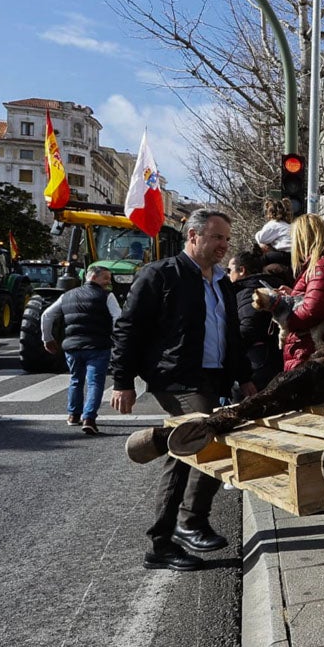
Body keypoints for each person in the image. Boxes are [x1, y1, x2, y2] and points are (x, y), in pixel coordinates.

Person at [110, 209, 256, 571]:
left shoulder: (222, 282)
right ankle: (178, 530)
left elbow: (232, 337)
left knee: (196, 445)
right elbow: (128, 328)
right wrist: (122, 381)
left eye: (226, 238)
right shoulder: (161, 275)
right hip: (175, 377)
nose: (224, 245)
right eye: (216, 237)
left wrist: (246, 378)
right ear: (193, 236)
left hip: (213, 376)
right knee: (199, 438)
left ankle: (180, 527)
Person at [253, 213, 324, 371]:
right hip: (314, 350)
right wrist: (293, 296)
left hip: (310, 353)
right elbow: (317, 298)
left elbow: (314, 310)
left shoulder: (321, 266)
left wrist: (285, 318)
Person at [42, 265, 120, 434]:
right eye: (106, 278)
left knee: (76, 380)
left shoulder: (67, 296)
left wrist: (47, 338)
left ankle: (73, 415)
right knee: (95, 383)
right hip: (98, 346)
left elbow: (46, 315)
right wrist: (116, 338)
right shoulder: (107, 296)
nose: (108, 282)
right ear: (93, 277)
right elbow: (118, 318)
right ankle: (89, 418)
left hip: (72, 346)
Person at [228, 249, 285, 391]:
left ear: (241, 270)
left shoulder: (250, 291)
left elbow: (248, 326)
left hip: (257, 361)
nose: (228, 275)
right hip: (272, 357)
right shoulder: (271, 285)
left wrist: (231, 342)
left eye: (230, 270)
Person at [254, 197, 293, 263]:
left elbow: (261, 238)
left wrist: (257, 234)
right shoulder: (287, 225)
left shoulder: (273, 224)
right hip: (294, 254)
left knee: (261, 259)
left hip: (285, 255)